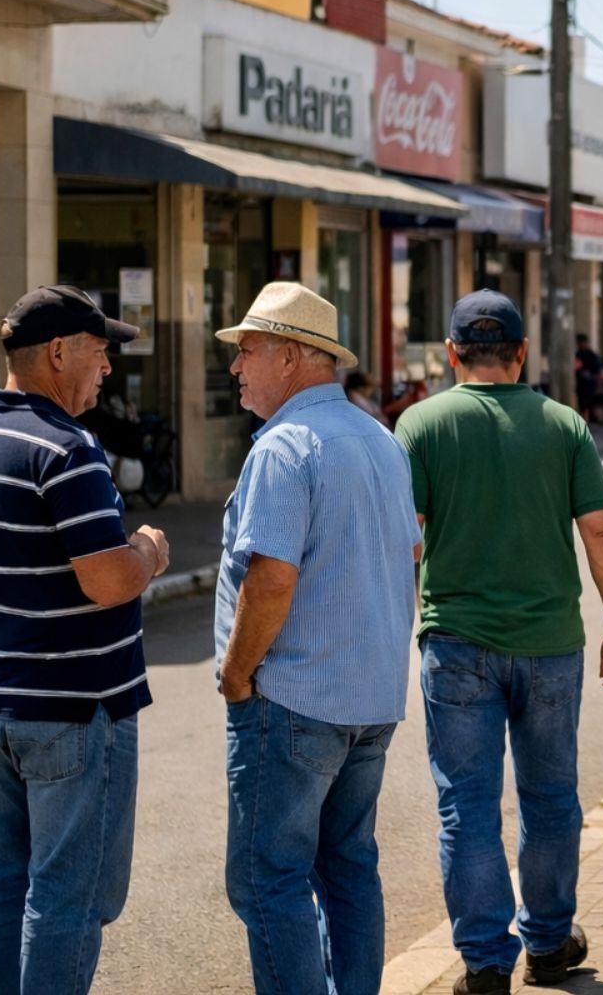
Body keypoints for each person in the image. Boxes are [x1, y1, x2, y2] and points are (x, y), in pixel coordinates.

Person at [394, 290, 603, 992]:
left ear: (452, 354)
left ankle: (483, 963)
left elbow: (405, 540)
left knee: (466, 806)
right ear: (521, 354)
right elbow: (602, 531)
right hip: (549, 643)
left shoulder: (419, 423)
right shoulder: (562, 424)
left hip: (455, 643)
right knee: (550, 798)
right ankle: (547, 941)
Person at [0, 286, 169, 995]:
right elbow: (107, 580)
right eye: (99, 355)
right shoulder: (70, 452)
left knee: (1, 873)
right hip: (73, 706)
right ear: (59, 353)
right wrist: (149, 551)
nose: (106, 371)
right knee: (69, 893)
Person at [212, 281, 423, 995]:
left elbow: (270, 580)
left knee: (267, 880)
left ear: (295, 356)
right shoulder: (380, 438)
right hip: (369, 699)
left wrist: (238, 674)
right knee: (349, 868)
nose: (237, 367)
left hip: (294, 697)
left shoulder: (285, 447)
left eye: (248, 350)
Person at [574, 334, 603, 423]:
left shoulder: (590, 354)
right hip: (583, 383)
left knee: (587, 402)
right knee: (583, 402)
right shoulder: (580, 353)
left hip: (589, 383)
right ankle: (586, 419)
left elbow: (598, 368)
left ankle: (587, 419)